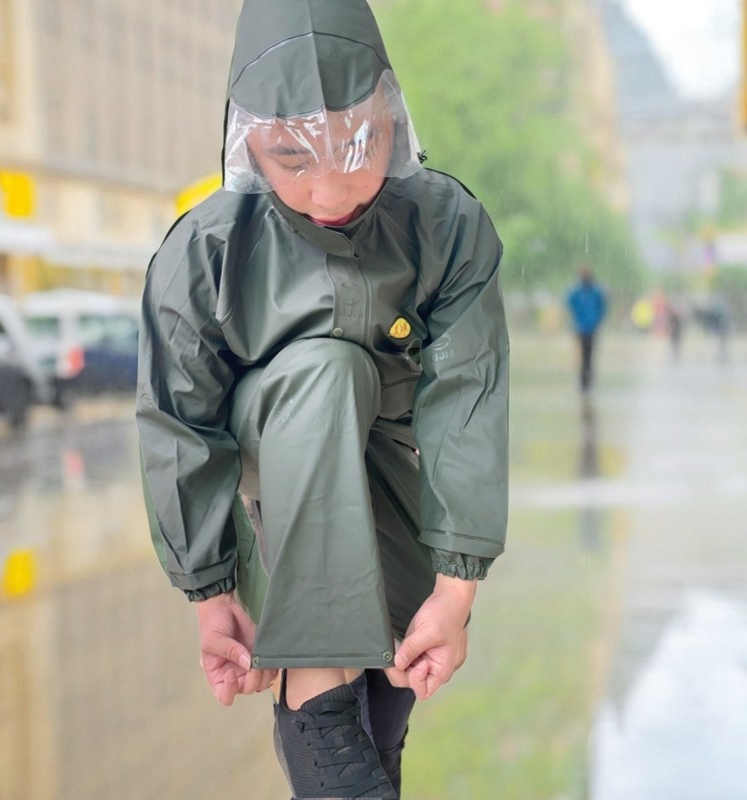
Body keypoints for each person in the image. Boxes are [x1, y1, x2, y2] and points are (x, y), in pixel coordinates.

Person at [135, 1, 509, 797]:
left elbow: (467, 403)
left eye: (357, 143)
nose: (331, 184)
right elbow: (180, 423)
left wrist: (455, 591)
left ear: (390, 113)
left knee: (391, 685)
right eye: (291, 156)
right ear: (247, 140)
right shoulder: (205, 251)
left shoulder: (447, 227)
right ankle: (322, 715)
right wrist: (211, 593)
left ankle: (353, 745)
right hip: (278, 475)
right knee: (327, 371)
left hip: (389, 461)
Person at [566, 265, 606, 392]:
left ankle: (587, 379)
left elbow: (602, 307)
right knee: (584, 354)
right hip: (581, 328)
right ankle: (584, 380)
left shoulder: (595, 291)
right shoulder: (578, 291)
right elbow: (570, 303)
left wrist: (597, 320)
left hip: (591, 327)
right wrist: (577, 317)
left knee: (589, 354)